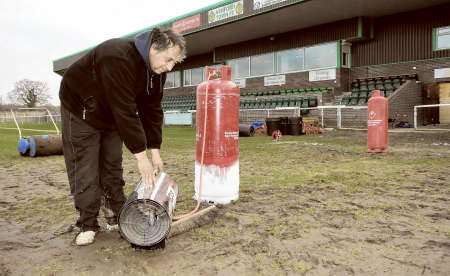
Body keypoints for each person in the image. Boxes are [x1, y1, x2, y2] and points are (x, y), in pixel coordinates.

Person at [59, 27, 186, 246]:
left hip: (111, 114)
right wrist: (141, 158)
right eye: (168, 60)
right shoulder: (116, 56)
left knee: (112, 165)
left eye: (174, 63)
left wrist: (154, 150)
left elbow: (152, 109)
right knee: (85, 167)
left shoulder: (157, 72)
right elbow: (125, 110)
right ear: (154, 48)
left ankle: (116, 212)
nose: (169, 67)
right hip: (82, 109)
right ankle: (87, 223)